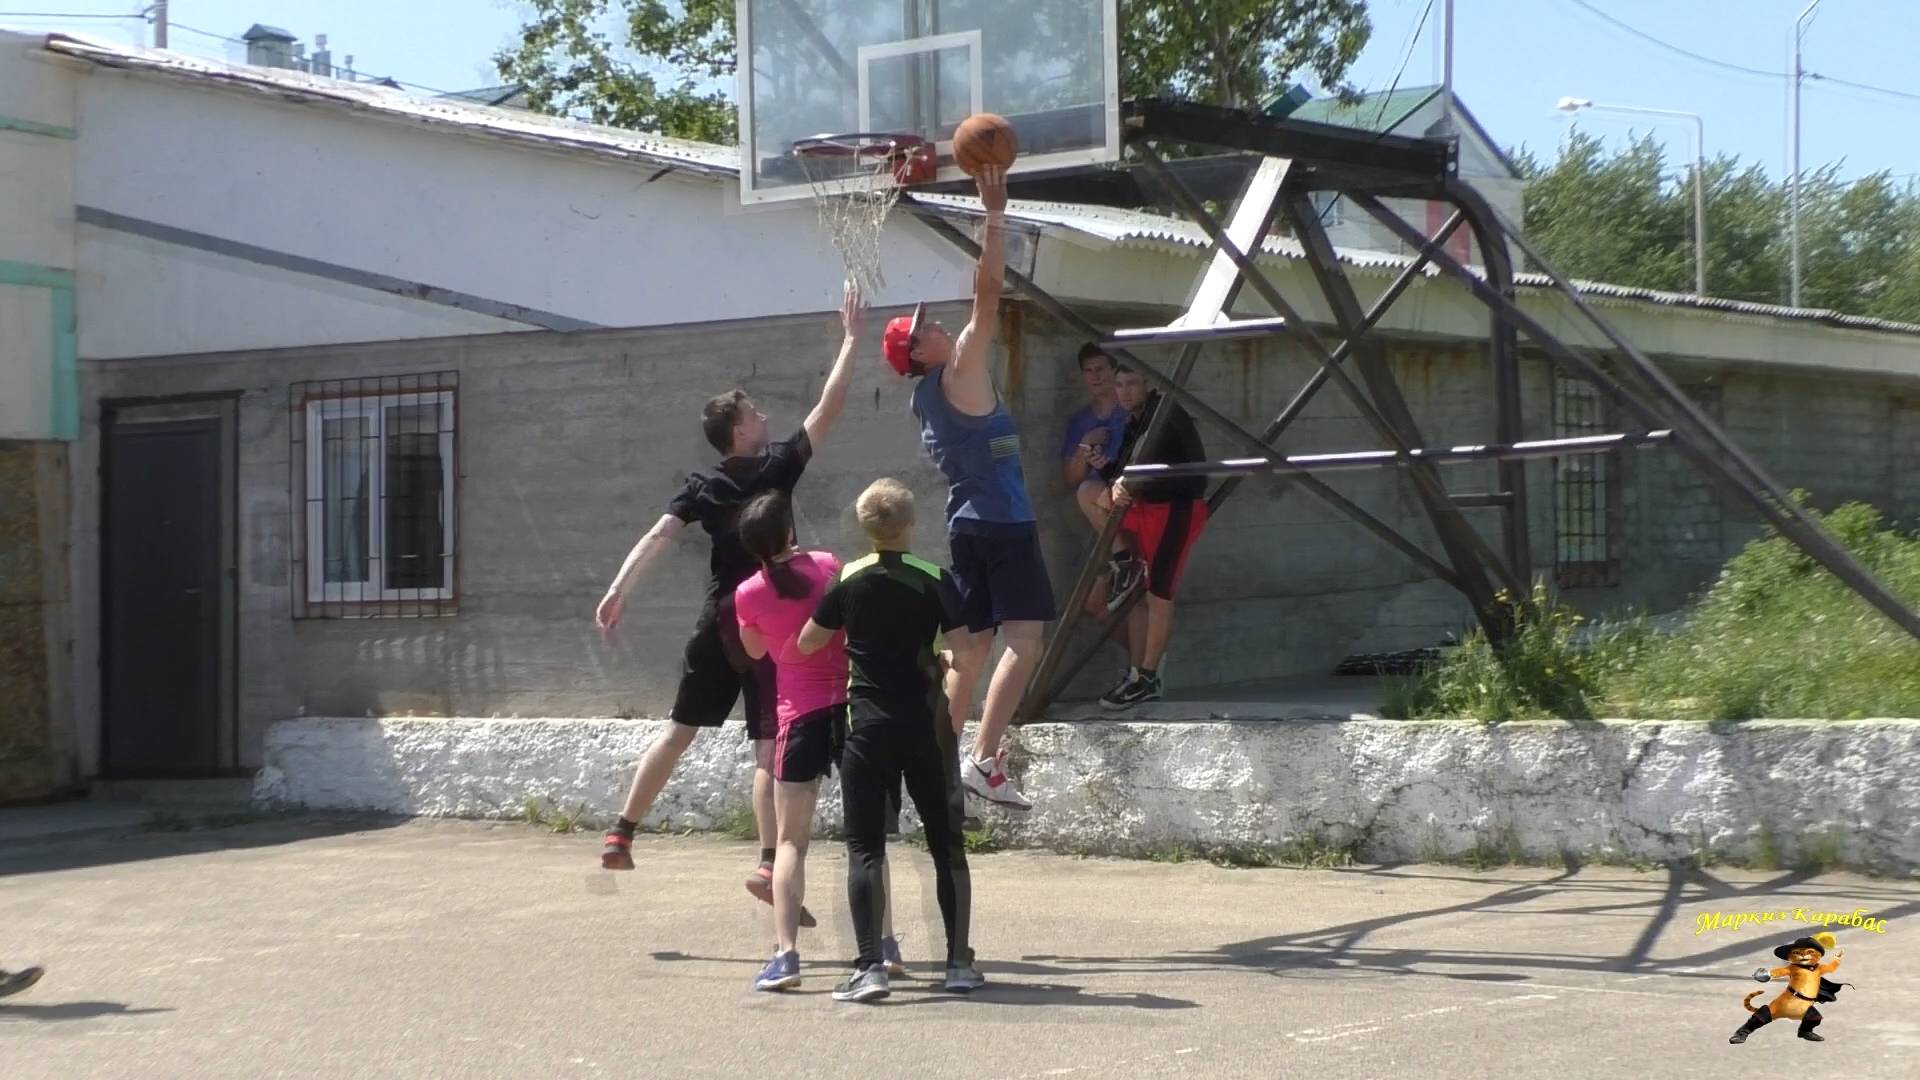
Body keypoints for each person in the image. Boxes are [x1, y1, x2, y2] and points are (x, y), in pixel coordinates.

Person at [594, 281, 864, 915]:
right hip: (769, 619)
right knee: (769, 749)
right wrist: (852, 339)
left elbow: (659, 536)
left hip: (719, 619)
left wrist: (618, 589)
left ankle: (622, 830)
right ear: (739, 431)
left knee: (679, 731)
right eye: (759, 416)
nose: (768, 420)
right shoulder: (774, 469)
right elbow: (829, 407)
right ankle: (771, 866)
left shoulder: (705, 485)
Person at [879, 165, 1047, 812]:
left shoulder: (930, 395)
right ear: (919, 354)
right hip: (1003, 524)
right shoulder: (958, 374)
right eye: (925, 331)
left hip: (968, 525)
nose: (938, 327)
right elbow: (986, 297)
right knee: (1024, 642)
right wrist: (994, 214)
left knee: (969, 652)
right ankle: (982, 760)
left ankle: (935, 764)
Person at [796, 478, 984, 1003]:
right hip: (926, 725)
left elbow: (808, 642)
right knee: (946, 846)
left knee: (865, 849)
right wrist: (940, 658)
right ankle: (959, 964)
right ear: (910, 524)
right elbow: (966, 653)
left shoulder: (847, 578)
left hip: (867, 726)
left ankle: (869, 968)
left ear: (864, 527)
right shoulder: (933, 578)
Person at [731, 490, 906, 991]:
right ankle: (886, 943)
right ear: (789, 532)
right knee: (867, 841)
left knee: (790, 842)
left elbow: (755, 649)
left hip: (799, 717)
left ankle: (786, 957)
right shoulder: (829, 564)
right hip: (851, 709)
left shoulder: (748, 593)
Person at [1089, 362, 1210, 709]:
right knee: (1089, 494)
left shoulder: (1163, 412)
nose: (1124, 392)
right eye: (1120, 385)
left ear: (1148, 385)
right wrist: (1109, 478)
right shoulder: (1135, 419)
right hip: (1148, 507)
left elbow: (1152, 461)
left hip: (1176, 508)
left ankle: (1148, 676)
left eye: (1131, 384)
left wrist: (1123, 483)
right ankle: (1124, 562)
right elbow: (1128, 466)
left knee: (1159, 593)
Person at [1063, 343, 1129, 530]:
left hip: (1132, 491)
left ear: (1114, 371)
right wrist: (1084, 445)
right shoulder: (1080, 421)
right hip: (1101, 500)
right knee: (1085, 491)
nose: (1095, 376)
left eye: (1100, 369)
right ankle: (1121, 556)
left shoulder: (1129, 408)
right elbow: (1070, 480)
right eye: (1088, 371)